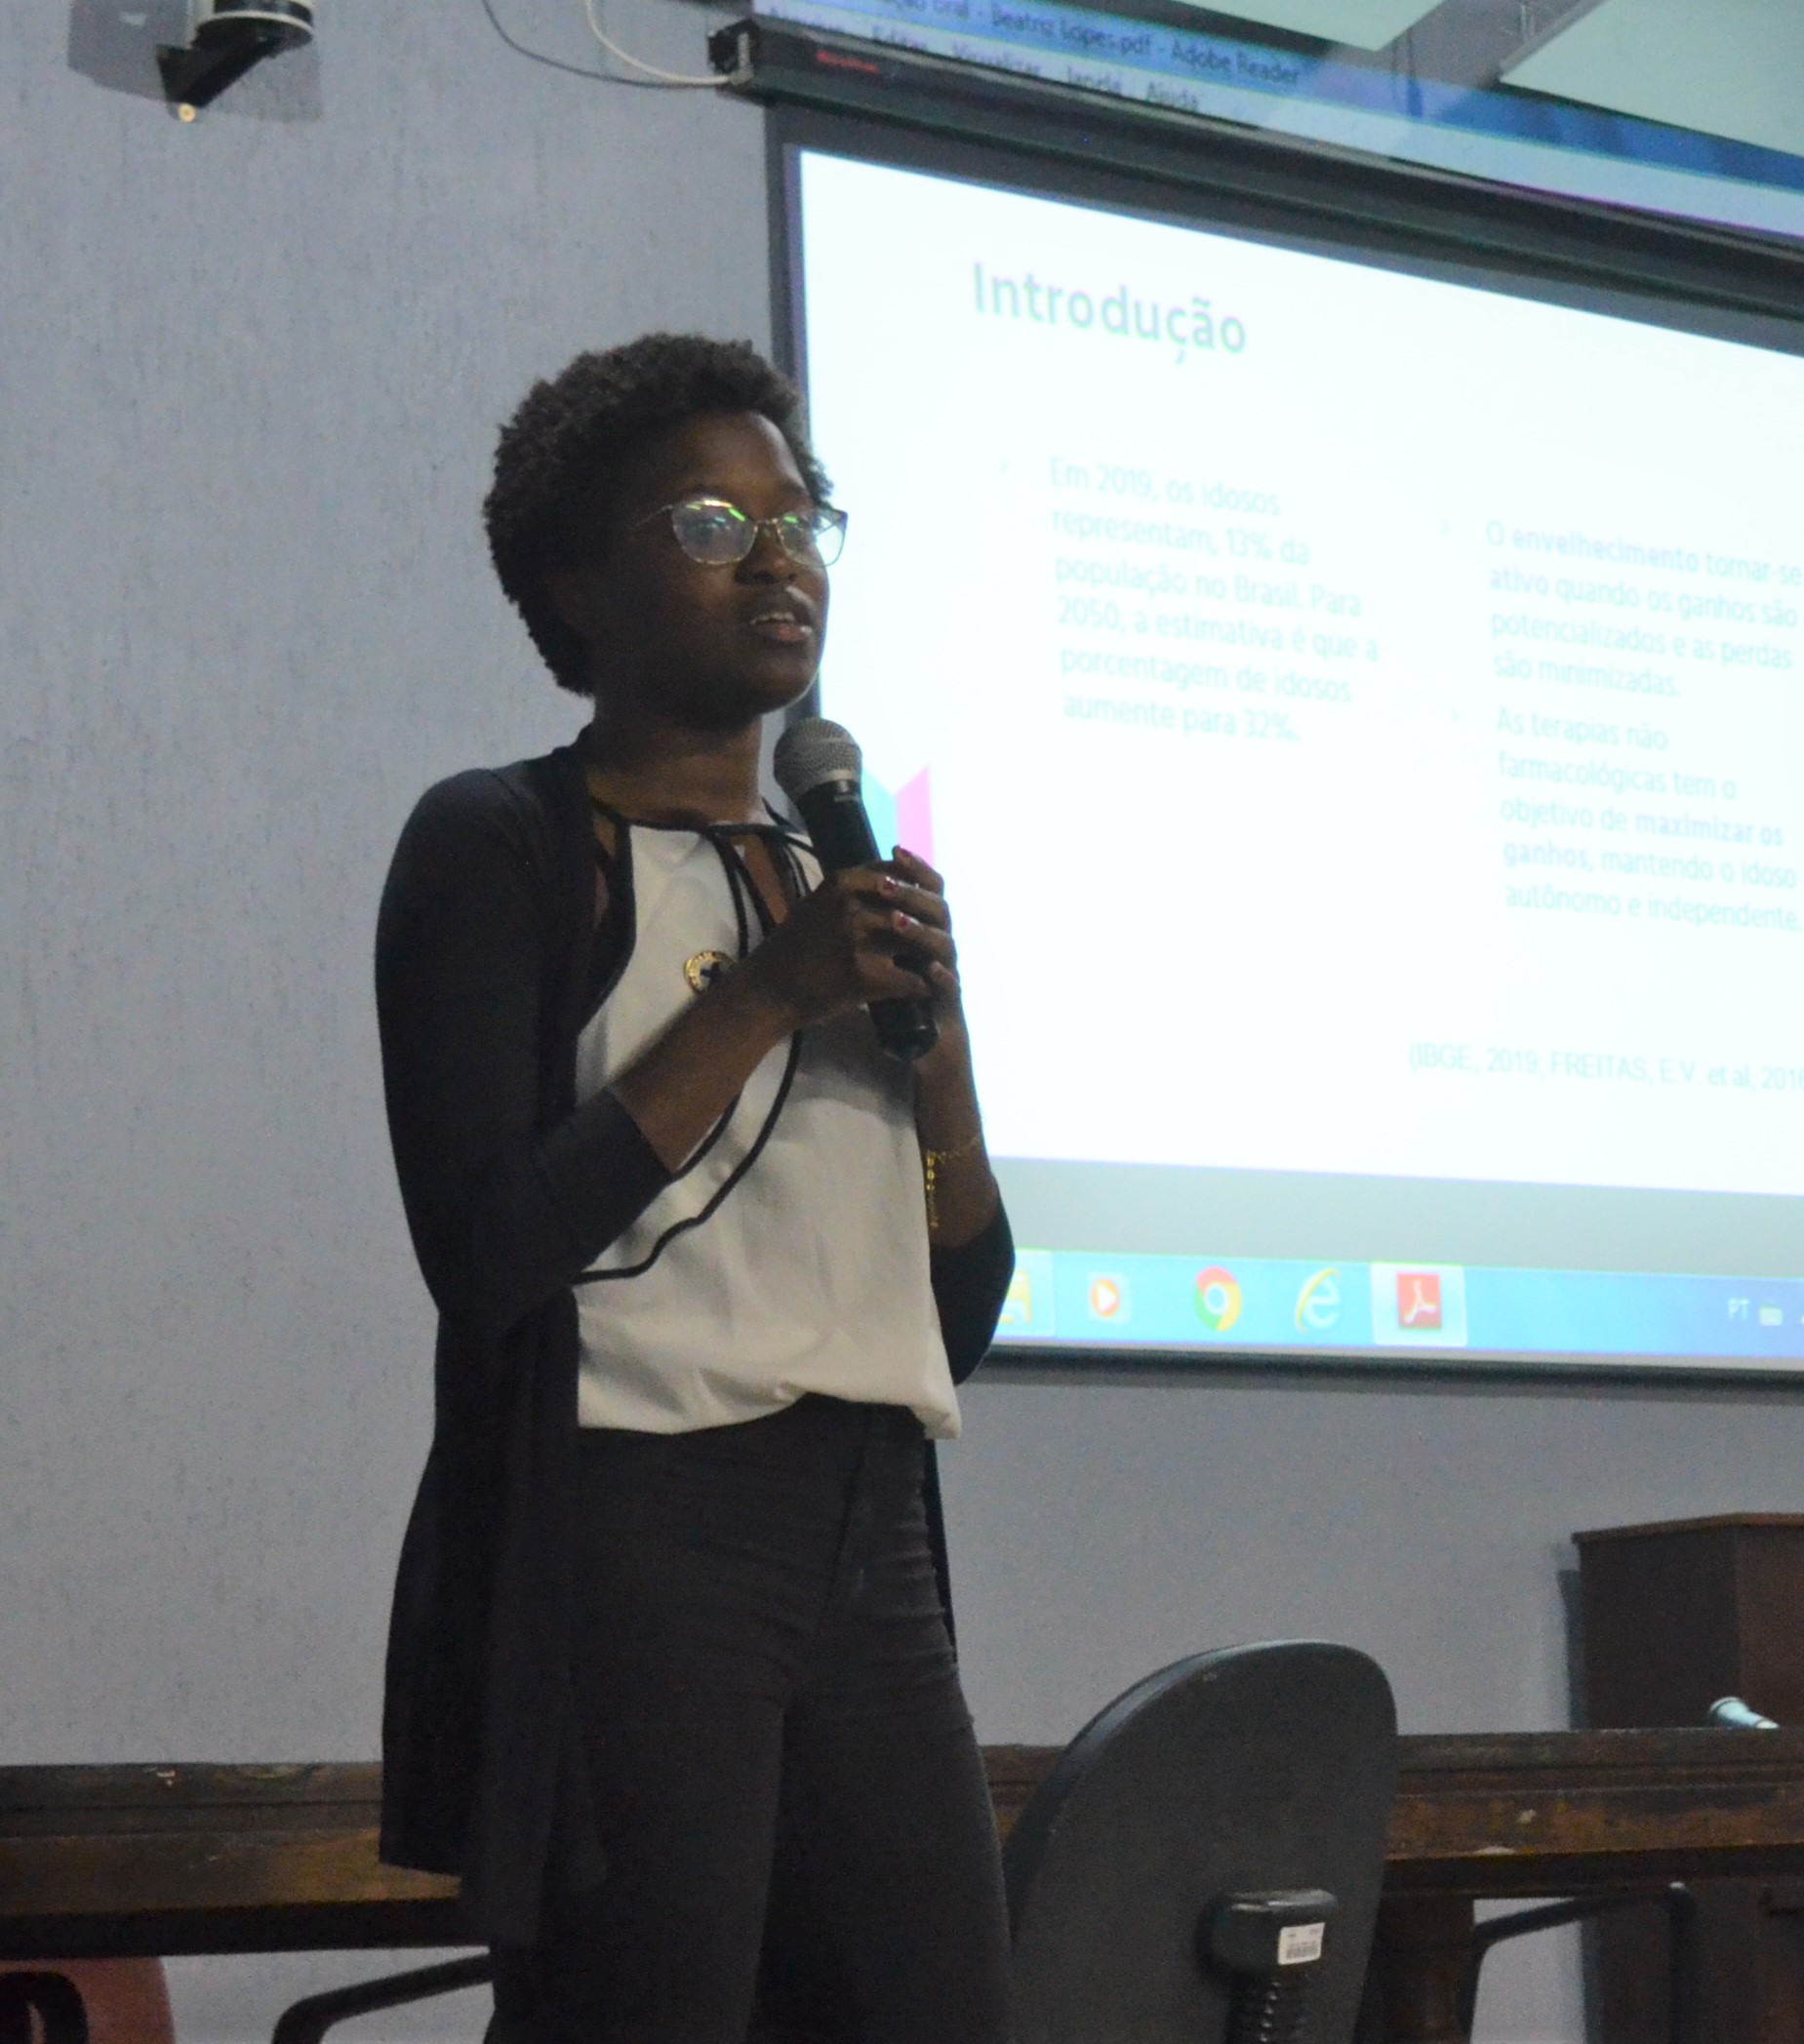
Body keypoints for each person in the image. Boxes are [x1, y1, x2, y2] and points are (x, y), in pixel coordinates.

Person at [372, 333, 1016, 2042]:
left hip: (873, 1537)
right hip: (638, 1533)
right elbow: (487, 1250)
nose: (779, 561)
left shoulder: (837, 882)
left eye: (801, 523)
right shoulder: (502, 844)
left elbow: (958, 1306)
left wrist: (940, 1056)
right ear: (579, 585)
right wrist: (768, 998)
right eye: (716, 527)